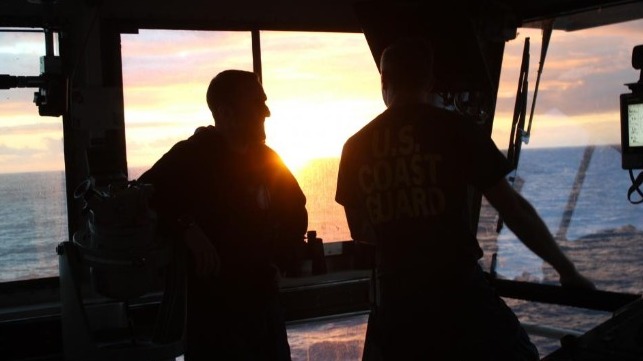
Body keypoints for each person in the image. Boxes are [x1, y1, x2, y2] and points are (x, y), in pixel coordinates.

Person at [335, 38, 595, 360]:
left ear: (384, 81)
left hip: (398, 306)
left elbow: (361, 230)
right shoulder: (456, 130)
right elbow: (514, 210)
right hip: (458, 296)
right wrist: (566, 270)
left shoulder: (355, 147)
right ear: (429, 81)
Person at [138, 70, 308, 360]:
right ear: (227, 113)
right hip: (213, 310)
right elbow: (144, 194)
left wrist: (283, 255)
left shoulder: (267, 159)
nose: (266, 111)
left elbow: (295, 208)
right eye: (257, 103)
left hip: (262, 301)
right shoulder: (191, 156)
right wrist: (187, 227)